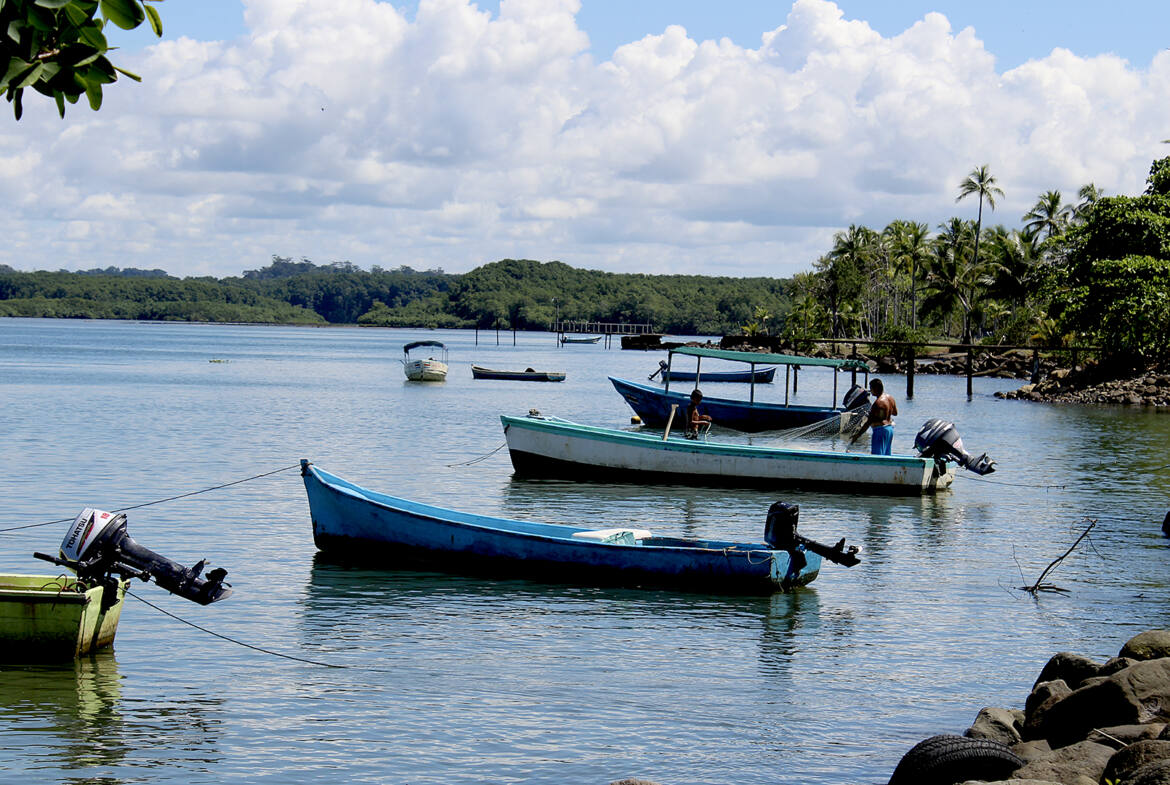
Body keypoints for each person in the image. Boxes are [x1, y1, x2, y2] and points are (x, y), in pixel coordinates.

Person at [850, 378, 897, 455]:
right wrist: (883, 413)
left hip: (880, 431)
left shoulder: (878, 403)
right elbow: (895, 413)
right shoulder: (890, 398)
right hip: (889, 429)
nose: (870, 391)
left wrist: (857, 435)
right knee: (886, 456)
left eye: (871, 388)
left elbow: (868, 423)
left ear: (876, 388)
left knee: (877, 457)